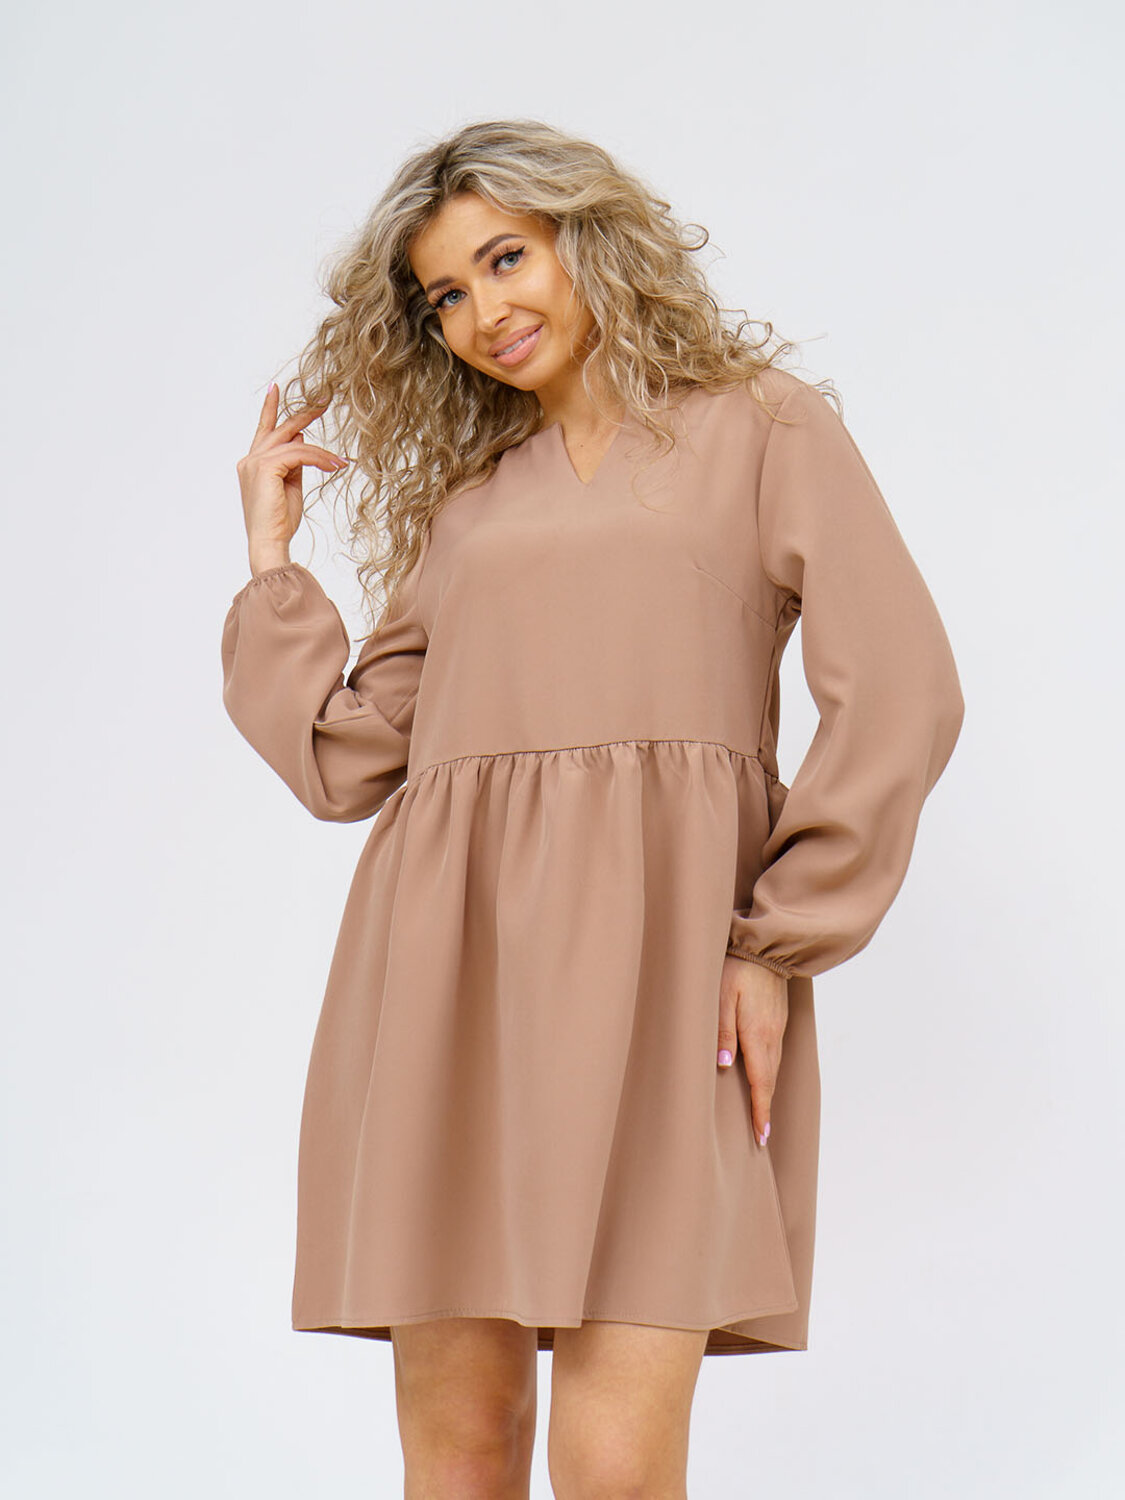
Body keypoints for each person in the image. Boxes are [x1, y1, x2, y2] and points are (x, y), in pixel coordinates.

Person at [221, 117, 965, 1498]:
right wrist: (272, 559)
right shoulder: (467, 505)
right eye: (445, 295)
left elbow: (902, 690)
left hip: (666, 977)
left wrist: (775, 942)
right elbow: (349, 759)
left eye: (505, 258)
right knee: (459, 1454)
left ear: (586, 237)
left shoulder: (759, 425)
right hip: (449, 987)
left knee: (615, 1466)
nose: (484, 311)